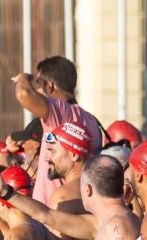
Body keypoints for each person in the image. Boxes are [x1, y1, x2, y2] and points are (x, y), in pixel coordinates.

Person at [14, 56, 105, 207]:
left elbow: (23, 94)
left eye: (37, 84)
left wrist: (23, 77)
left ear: (49, 86)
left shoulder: (61, 113)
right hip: (77, 211)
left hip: (55, 214)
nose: (35, 90)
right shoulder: (92, 121)